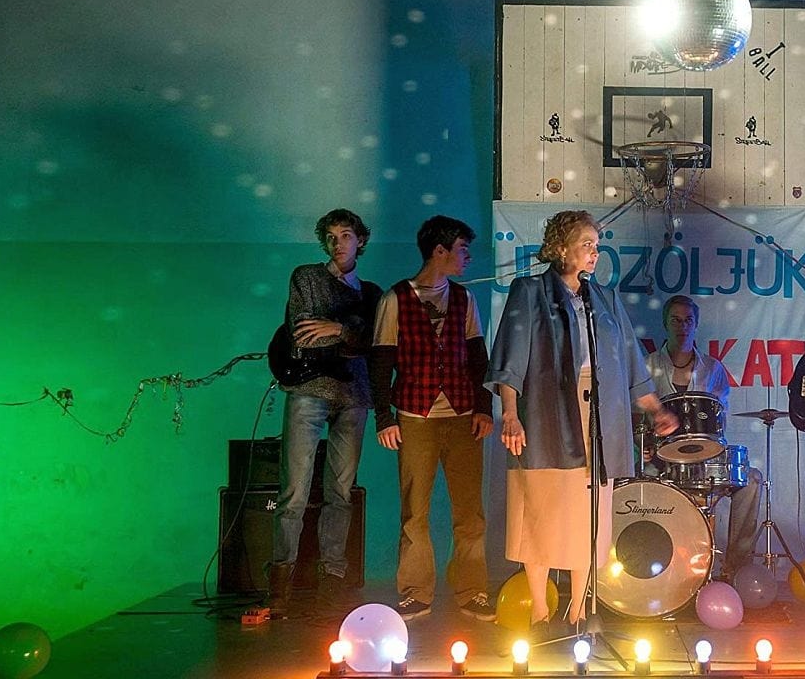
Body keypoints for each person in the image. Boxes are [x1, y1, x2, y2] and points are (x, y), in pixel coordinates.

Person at [487, 210, 678, 636]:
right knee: (540, 510)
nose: (595, 252)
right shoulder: (529, 291)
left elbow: (630, 361)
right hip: (547, 413)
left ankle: (578, 612)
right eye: (586, 244)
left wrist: (656, 409)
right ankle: (540, 612)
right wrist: (511, 414)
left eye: (597, 245)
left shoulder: (604, 299)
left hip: (601, 412)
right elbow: (510, 359)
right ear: (560, 248)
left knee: (588, 516)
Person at [367, 215, 495, 622]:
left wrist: (484, 407)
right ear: (439, 251)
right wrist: (384, 417)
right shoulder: (395, 299)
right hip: (414, 417)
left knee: (470, 512)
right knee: (414, 512)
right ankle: (415, 592)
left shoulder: (464, 299)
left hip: (462, 416)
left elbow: (478, 359)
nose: (467, 256)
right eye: (461, 249)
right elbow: (381, 360)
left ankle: (473, 590)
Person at [269, 208, 382, 619]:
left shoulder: (372, 294)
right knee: (293, 491)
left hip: (354, 394)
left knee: (341, 492)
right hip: (308, 390)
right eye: (332, 237)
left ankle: (332, 579)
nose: (338, 243)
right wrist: (350, 335)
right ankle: (280, 581)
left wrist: (336, 329)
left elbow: (377, 342)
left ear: (360, 241)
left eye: (346, 235)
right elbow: (302, 335)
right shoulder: (306, 277)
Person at [641, 295, 763, 581]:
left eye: (688, 320)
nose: (682, 326)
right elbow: (634, 417)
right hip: (663, 460)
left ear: (696, 325)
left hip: (706, 457)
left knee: (751, 480)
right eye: (675, 320)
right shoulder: (647, 365)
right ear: (665, 324)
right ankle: (659, 571)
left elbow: (719, 419)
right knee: (639, 485)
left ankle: (735, 568)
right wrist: (644, 445)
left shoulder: (713, 368)